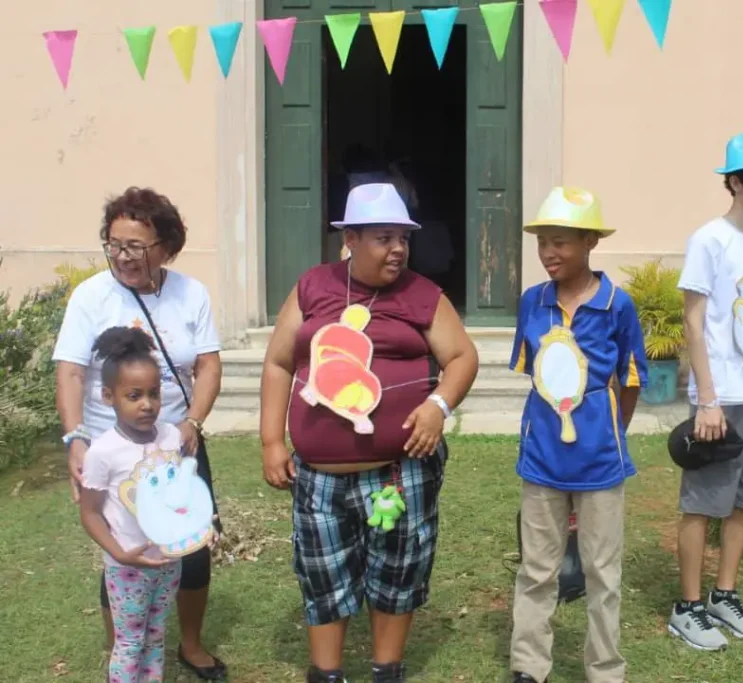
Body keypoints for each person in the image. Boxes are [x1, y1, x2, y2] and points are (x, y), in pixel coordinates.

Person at [259, 182, 479, 683]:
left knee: (399, 569)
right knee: (323, 571)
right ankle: (327, 673)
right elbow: (277, 362)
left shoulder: (422, 295)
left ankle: (386, 670)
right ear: (350, 240)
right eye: (383, 237)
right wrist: (272, 440)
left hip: (400, 473)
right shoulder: (313, 287)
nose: (398, 249)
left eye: (403, 237)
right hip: (319, 475)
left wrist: (437, 405)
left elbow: (462, 357)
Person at [54, 187, 227, 679]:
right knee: (122, 547)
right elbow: (69, 371)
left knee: (190, 548)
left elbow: (209, 365)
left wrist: (192, 421)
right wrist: (76, 438)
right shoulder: (91, 295)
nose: (123, 256)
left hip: (178, 445)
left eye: (136, 246)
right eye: (114, 243)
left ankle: (189, 645)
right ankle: (123, 650)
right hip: (115, 448)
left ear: (166, 247)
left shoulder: (190, 293)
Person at [508, 187, 649, 683]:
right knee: (536, 569)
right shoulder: (533, 302)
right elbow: (537, 376)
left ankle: (605, 669)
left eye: (561, 242)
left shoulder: (617, 306)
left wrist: (608, 431)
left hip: (600, 460)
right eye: (543, 242)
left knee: (602, 575)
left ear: (590, 242)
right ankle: (529, 665)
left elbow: (630, 381)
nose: (549, 252)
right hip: (542, 458)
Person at [668, 131, 743, 651]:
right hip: (720, 400)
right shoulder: (710, 241)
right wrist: (708, 399)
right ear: (735, 182)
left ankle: (725, 594)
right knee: (703, 503)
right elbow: (693, 323)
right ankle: (688, 607)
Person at [78, 326, 186, 682]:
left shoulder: (171, 437)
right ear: (109, 396)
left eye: (154, 393)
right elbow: (90, 513)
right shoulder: (103, 451)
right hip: (127, 568)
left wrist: (199, 527)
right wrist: (119, 554)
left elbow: (179, 495)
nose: (147, 404)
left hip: (169, 561)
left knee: (156, 637)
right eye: (134, 395)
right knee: (129, 642)